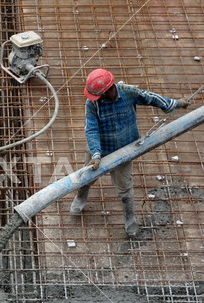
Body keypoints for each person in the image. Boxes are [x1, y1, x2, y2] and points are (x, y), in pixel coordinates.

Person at [70, 69, 190, 237]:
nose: (98, 99)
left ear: (109, 90)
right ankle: (80, 198)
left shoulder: (128, 92)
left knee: (125, 189)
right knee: (86, 178)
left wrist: (174, 103)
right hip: (100, 149)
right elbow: (91, 130)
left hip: (124, 150)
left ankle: (129, 219)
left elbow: (150, 98)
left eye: (100, 96)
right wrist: (96, 154)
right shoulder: (92, 104)